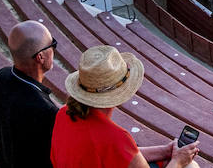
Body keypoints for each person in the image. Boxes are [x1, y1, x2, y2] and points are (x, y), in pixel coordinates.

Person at [50, 45, 200, 168]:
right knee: (190, 166)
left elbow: (125, 155)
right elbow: (118, 148)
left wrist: (166, 151)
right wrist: (178, 161)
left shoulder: (64, 113)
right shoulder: (115, 137)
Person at [0, 20, 60, 168]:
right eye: (53, 45)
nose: (54, 49)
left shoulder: (1, 77)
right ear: (40, 57)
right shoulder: (46, 112)